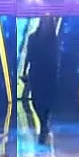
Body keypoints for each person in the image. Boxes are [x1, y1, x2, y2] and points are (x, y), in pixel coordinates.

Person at [26, 16, 60, 145]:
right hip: (36, 71)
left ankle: (44, 123)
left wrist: (57, 71)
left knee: (47, 99)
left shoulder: (53, 40)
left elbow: (56, 56)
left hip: (49, 72)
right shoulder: (32, 37)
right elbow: (29, 56)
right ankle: (43, 121)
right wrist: (24, 71)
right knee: (36, 99)